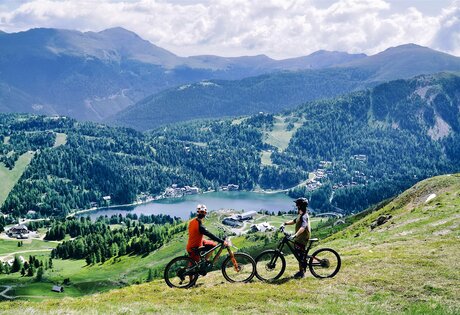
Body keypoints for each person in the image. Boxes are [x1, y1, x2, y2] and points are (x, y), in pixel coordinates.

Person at [282, 197, 311, 279]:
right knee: (300, 255)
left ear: (300, 206)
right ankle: (301, 271)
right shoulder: (301, 214)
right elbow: (295, 221)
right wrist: (285, 223)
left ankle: (302, 273)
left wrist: (295, 235)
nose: (296, 206)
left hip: (302, 239)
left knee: (300, 256)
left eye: (297, 205)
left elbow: (303, 227)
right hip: (300, 238)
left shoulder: (304, 216)